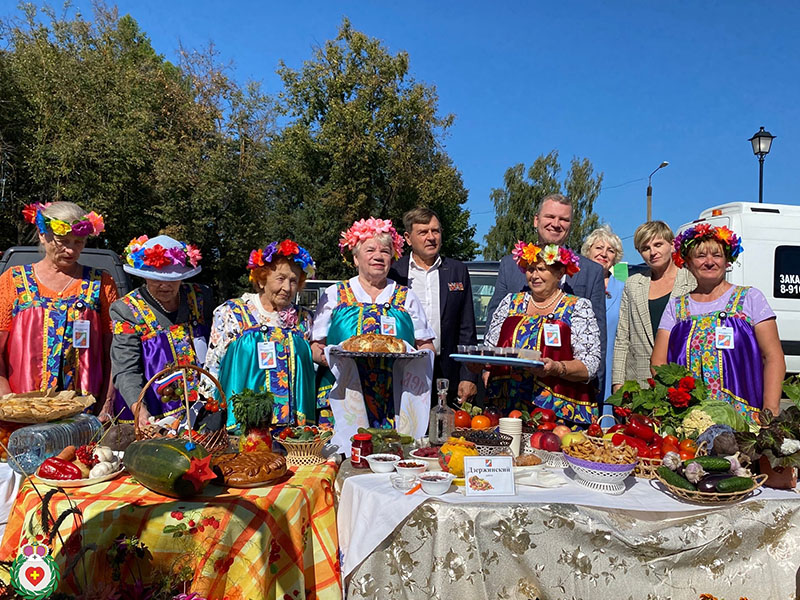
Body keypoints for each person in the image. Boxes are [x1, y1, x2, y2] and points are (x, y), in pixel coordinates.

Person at [312, 218, 434, 445]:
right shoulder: (335, 294)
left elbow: (426, 345)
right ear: (356, 257)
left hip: (394, 398)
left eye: (385, 251)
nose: (378, 256)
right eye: (370, 250)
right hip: (345, 395)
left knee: (392, 460)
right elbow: (315, 347)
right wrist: (337, 360)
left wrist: (419, 358)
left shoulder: (406, 297)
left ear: (392, 258)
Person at [652, 224, 785, 421]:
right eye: (700, 256)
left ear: (727, 260)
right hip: (690, 417)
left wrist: (769, 412)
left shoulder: (750, 298)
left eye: (717, 255)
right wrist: (672, 404)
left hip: (743, 418)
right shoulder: (676, 307)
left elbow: (773, 357)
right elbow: (658, 363)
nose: (709, 262)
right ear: (687, 262)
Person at [0, 202, 116, 414]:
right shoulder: (14, 281)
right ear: (42, 235)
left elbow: (113, 351)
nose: (71, 250)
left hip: (84, 413)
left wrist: (107, 404)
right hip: (24, 411)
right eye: (63, 241)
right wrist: (7, 402)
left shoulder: (101, 283)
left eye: (79, 242)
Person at [486, 194, 607, 396]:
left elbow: (596, 343)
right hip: (510, 390)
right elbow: (494, 327)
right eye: (550, 216)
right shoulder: (509, 265)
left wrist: (595, 387)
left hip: (564, 393)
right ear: (536, 220)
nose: (556, 224)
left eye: (564, 219)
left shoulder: (591, 271)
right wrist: (486, 368)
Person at [203, 240, 317, 430]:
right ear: (262, 279)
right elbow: (212, 367)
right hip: (243, 426)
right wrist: (208, 413)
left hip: (293, 431)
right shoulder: (231, 313)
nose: (287, 288)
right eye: (280, 279)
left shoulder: (305, 319)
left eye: (294, 281)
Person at [484, 242, 601, 427]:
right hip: (507, 408)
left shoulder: (577, 307)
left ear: (560, 273)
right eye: (530, 269)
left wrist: (556, 367)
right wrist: (482, 364)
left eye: (541, 269)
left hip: (556, 415)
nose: (534, 275)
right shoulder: (510, 303)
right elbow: (490, 349)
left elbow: (590, 365)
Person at [110, 235, 214, 428]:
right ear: (144, 275)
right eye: (157, 279)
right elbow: (126, 369)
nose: (165, 285)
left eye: (173, 279)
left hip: (204, 406)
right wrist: (139, 408)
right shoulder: (126, 310)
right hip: (157, 411)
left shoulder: (200, 298)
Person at [388, 207, 479, 404]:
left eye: (435, 231)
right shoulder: (395, 273)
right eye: (423, 232)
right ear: (408, 237)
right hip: (403, 372)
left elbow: (467, 328)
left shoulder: (457, 271)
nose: (431, 237)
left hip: (447, 375)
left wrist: (469, 375)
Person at [612, 221, 695, 390]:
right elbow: (622, 338)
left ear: (672, 245)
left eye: (658, 245)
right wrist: (617, 382)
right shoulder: (633, 284)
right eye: (645, 248)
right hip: (639, 382)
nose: (653, 252)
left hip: (681, 382)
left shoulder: (692, 281)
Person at [581, 225, 625, 407]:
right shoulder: (577, 284)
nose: (604, 254)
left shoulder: (624, 287)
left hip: (612, 366)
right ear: (588, 251)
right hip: (582, 366)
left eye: (610, 250)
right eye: (599, 248)